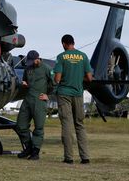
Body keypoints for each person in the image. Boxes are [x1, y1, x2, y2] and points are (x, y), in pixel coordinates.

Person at [54, 34, 94, 165]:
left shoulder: (61, 57)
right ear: (73, 42)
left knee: (67, 124)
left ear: (64, 44)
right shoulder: (83, 56)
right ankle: (85, 157)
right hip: (78, 93)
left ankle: (69, 157)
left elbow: (57, 79)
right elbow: (89, 78)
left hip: (64, 93)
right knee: (80, 124)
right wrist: (78, 78)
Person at [16, 50, 54, 161]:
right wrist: (25, 84)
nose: (31, 63)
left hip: (39, 100)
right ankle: (28, 148)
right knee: (20, 125)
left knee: (38, 127)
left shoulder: (47, 69)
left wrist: (48, 96)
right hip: (27, 99)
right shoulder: (27, 69)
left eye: (33, 61)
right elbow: (25, 81)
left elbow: (54, 84)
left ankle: (35, 152)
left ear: (38, 58)